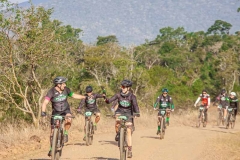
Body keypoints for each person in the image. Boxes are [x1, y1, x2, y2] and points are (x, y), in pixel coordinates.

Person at [41, 76, 85, 157]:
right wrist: (43, 112)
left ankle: (65, 133)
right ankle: (51, 148)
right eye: (63, 83)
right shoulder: (51, 92)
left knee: (68, 119)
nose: (65, 85)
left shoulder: (66, 90)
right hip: (56, 112)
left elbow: (74, 95)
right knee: (52, 132)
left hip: (65, 110)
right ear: (58, 84)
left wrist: (83, 97)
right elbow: (45, 102)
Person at [104, 80, 140, 158]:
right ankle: (118, 134)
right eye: (122, 87)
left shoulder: (132, 96)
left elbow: (135, 106)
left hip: (128, 113)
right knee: (117, 120)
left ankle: (130, 150)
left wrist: (137, 113)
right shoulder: (118, 95)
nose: (122, 88)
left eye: (124, 87)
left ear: (128, 88)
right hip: (119, 111)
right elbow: (109, 101)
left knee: (129, 130)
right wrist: (105, 99)